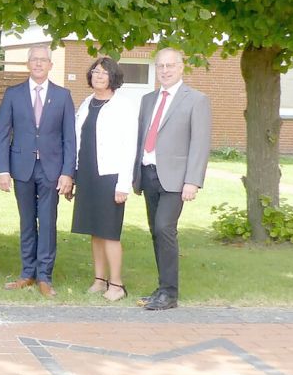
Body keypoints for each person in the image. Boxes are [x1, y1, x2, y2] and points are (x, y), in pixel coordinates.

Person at [133, 48, 211, 310]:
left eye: (170, 65)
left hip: (176, 179)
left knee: (165, 228)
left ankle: (170, 292)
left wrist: (193, 180)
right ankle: (162, 287)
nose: (165, 71)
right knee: (156, 232)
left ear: (181, 67)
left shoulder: (196, 100)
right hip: (149, 174)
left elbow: (200, 143)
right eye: (160, 66)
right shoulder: (147, 99)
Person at [0, 44, 75, 298]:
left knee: (48, 222)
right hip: (22, 168)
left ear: (50, 65)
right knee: (27, 222)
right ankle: (27, 273)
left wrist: (67, 173)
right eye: (34, 60)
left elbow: (69, 139)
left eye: (43, 60)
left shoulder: (63, 96)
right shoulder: (13, 94)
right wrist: (3, 170)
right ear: (28, 64)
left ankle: (45, 277)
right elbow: (2, 134)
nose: (39, 64)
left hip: (51, 169)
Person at [70, 57, 139, 302]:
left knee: (109, 232)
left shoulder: (124, 106)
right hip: (88, 174)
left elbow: (130, 146)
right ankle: (99, 280)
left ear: (113, 77)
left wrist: (123, 184)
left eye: (104, 72)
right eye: (95, 71)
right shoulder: (87, 103)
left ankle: (117, 284)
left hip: (110, 176)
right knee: (95, 231)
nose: (98, 76)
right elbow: (79, 141)